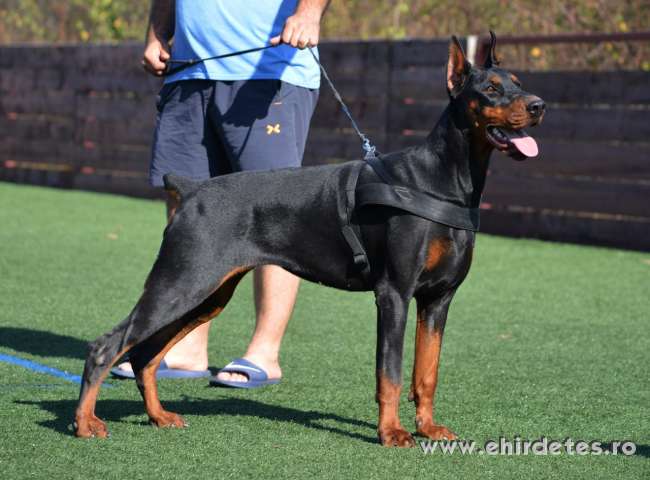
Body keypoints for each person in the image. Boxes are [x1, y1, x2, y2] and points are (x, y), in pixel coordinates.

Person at [111, 0, 329, 387]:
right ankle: (186, 347)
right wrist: (157, 32)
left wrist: (309, 12)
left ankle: (265, 353)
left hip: (268, 71)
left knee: (273, 213)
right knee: (189, 207)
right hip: (188, 74)